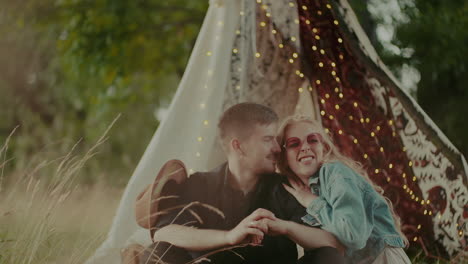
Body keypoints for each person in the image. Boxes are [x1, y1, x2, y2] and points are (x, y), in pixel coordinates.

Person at [139, 103, 343, 264]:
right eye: (267, 139)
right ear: (238, 146)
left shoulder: (286, 187)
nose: (277, 148)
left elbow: (333, 243)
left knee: (327, 256)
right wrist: (230, 236)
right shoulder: (200, 184)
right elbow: (163, 233)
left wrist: (286, 227)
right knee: (156, 255)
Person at [273, 115, 411, 263]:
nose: (305, 147)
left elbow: (353, 236)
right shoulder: (298, 192)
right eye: (294, 144)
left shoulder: (334, 173)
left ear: (323, 147)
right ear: (284, 156)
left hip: (382, 259)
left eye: (313, 140)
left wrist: (313, 202)